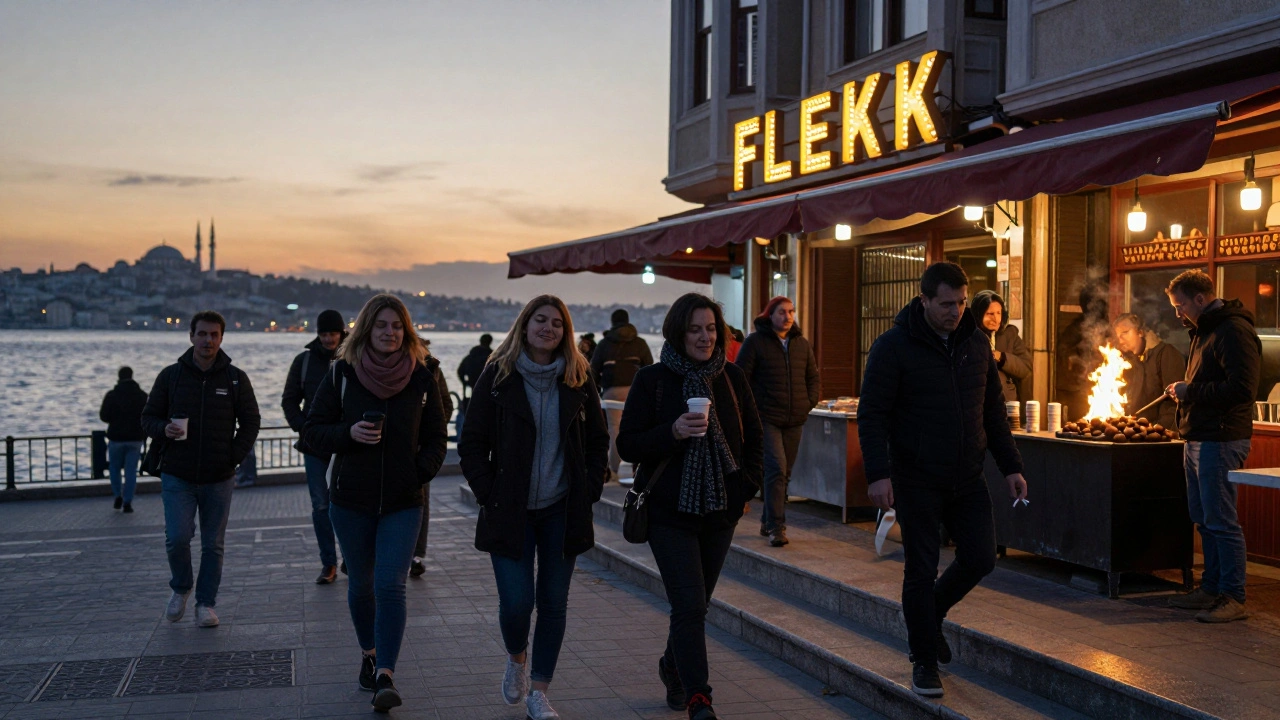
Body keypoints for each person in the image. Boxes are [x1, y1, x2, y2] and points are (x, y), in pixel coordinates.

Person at [857, 262, 1026, 698]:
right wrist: (878, 474)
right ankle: (924, 660)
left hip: (967, 475)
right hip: (916, 477)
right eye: (947, 304)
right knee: (920, 568)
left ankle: (929, 614)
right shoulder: (894, 346)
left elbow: (993, 412)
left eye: (962, 303)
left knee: (981, 557)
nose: (956, 311)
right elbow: (872, 414)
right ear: (925, 300)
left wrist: (1011, 466)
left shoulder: (976, 342)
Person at [459, 295, 609, 720]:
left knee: (554, 602)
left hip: (562, 508)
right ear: (524, 326)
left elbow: (598, 440)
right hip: (510, 509)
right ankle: (516, 658)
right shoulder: (498, 375)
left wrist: (589, 487)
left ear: (566, 331)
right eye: (540, 320)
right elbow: (472, 442)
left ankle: (540, 691)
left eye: (557, 323)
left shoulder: (578, 376)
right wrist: (489, 491)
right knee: (517, 602)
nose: (548, 328)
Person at [617, 293, 763, 720]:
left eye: (712, 329)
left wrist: (745, 489)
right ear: (678, 332)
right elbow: (628, 445)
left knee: (695, 606)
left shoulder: (732, 378)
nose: (705, 337)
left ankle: (672, 665)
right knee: (689, 606)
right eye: (695, 329)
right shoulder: (653, 380)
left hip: (720, 513)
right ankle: (700, 698)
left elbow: (755, 440)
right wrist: (673, 431)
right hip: (668, 514)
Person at [303, 293, 449, 712]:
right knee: (362, 584)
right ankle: (368, 653)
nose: (390, 333)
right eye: (382, 325)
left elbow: (437, 436)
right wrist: (348, 434)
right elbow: (313, 430)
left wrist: (419, 473)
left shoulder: (424, 374)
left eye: (397, 326)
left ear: (407, 330)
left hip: (404, 501)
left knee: (390, 585)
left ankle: (386, 673)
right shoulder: (342, 372)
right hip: (351, 500)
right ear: (367, 329)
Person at [141, 310, 261, 629]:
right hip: (177, 473)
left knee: (213, 544)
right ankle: (181, 587)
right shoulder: (171, 376)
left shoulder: (235, 379)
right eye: (203, 334)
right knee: (177, 537)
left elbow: (251, 421)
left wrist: (233, 456)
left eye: (214, 335)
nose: (208, 340)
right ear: (191, 336)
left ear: (221, 338)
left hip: (219, 476)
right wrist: (163, 429)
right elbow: (148, 417)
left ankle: (205, 603)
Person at [1164, 270, 1260, 623]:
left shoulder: (1232, 330)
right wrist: (1185, 390)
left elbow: (1242, 389)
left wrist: (1190, 391)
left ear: (1200, 299)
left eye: (1180, 306)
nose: (1178, 313)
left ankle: (1233, 596)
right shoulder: (1204, 330)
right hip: (1199, 436)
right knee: (1203, 518)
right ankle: (1211, 587)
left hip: (1220, 439)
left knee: (1221, 520)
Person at [734, 296, 819, 548]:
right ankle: (776, 527)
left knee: (785, 473)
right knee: (777, 469)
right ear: (769, 315)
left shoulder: (801, 344)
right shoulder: (755, 342)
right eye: (782, 312)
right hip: (766, 418)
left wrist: (808, 402)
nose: (788, 316)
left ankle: (767, 519)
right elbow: (740, 378)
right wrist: (751, 412)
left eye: (791, 312)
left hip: (795, 419)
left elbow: (813, 377)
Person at [282, 309, 346, 584]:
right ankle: (328, 563)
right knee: (320, 505)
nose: (329, 339)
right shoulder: (304, 361)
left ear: (342, 333)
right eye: (324, 334)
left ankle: (351, 558)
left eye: (333, 333)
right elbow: (289, 400)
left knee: (351, 504)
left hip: (347, 444)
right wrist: (304, 428)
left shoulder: (354, 357)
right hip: (315, 447)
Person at [591, 308, 655, 482]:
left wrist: (596, 390)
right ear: (627, 320)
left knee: (614, 430)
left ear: (612, 322)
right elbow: (649, 367)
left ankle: (614, 471)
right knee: (638, 428)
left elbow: (593, 370)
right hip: (636, 389)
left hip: (611, 392)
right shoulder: (640, 343)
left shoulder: (604, 343)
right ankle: (637, 469)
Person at [410, 337, 455, 579]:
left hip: (420, 449)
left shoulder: (431, 368)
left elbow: (445, 404)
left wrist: (431, 433)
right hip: (394, 449)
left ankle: (416, 554)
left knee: (421, 502)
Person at [1112, 313, 1185, 430]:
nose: (1120, 340)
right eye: (1118, 336)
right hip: (1138, 430)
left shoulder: (1166, 354)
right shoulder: (1129, 362)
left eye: (1125, 333)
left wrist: (1159, 428)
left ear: (1140, 332)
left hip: (1159, 432)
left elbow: (1174, 401)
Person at [100, 365, 148, 513]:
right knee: (131, 471)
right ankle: (128, 502)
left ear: (119, 377)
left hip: (116, 438)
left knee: (114, 468)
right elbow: (148, 416)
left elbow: (103, 416)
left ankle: (117, 495)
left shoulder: (112, 395)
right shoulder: (142, 396)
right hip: (135, 439)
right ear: (132, 376)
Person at [970, 290, 1032, 402]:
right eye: (990, 314)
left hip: (1006, 403)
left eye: (999, 313)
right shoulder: (968, 337)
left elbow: (1026, 367)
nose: (996, 319)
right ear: (978, 315)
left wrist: (1002, 357)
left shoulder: (1009, 335)